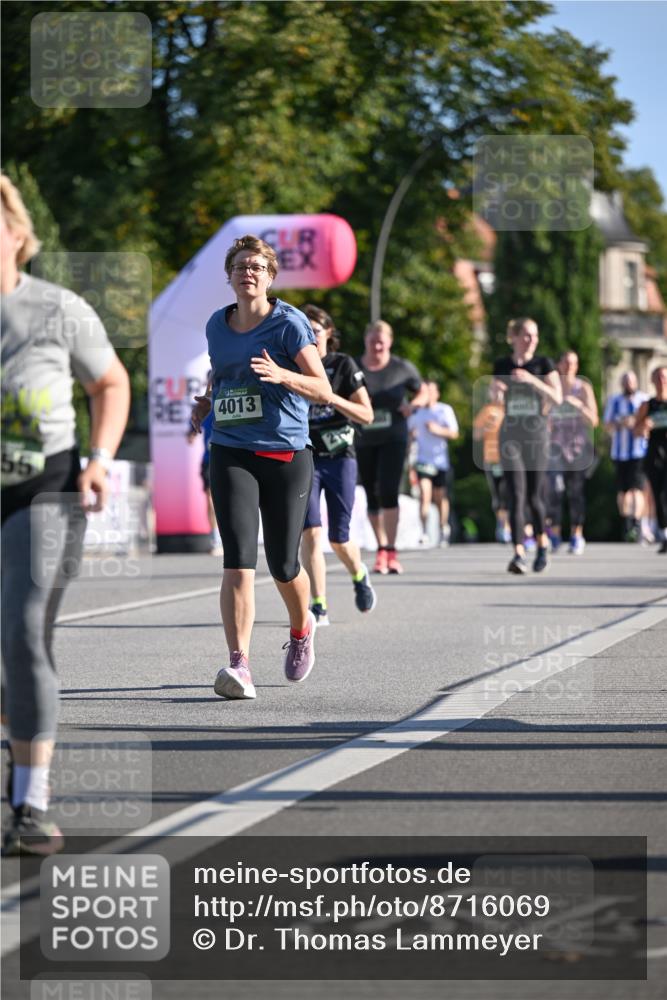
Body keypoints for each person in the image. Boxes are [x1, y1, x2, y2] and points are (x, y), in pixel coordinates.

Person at [1, 174, 130, 855]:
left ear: (18, 237)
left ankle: (30, 803)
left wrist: (101, 459)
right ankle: (19, 735)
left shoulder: (57, 309)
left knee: (24, 631)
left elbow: (109, 382)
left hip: (46, 489)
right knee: (8, 655)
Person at [190, 235, 331, 700]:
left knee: (284, 564)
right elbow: (224, 374)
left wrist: (283, 375)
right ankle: (239, 665)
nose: (247, 272)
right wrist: (207, 404)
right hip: (230, 449)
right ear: (229, 276)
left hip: (286, 454)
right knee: (237, 559)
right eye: (240, 266)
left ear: (270, 277)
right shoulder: (217, 325)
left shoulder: (289, 324)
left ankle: (300, 628)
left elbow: (322, 388)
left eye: (256, 266)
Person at [299, 305, 376, 626]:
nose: (311, 337)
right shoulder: (293, 365)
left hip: (341, 457)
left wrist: (331, 398)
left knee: (339, 538)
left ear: (329, 333)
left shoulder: (342, 365)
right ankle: (318, 604)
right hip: (306, 457)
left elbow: (367, 415)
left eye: (316, 331)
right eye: (305, 332)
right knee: (311, 533)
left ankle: (358, 573)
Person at [356, 320, 428, 574]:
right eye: (373, 340)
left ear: (390, 341)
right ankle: (380, 547)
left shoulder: (401, 368)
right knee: (371, 494)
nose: (377, 345)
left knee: (389, 490)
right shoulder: (355, 367)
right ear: (366, 340)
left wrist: (413, 406)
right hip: (363, 438)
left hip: (394, 438)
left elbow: (424, 391)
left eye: (381, 341)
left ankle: (391, 549)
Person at [493, 317, 562, 575]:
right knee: (515, 494)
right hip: (510, 434)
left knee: (534, 495)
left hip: (536, 435)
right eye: (527, 335)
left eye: (535, 335)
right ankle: (518, 552)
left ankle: (542, 546)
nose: (532, 340)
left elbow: (557, 397)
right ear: (515, 337)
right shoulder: (502, 364)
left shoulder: (543, 364)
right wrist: (497, 390)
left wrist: (532, 380)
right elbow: (495, 396)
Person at [546, 350, 598, 554]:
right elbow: (542, 416)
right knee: (555, 491)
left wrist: (578, 406)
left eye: (574, 363)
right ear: (559, 365)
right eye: (566, 363)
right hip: (555, 447)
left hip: (577, 448)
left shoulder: (583, 388)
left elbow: (594, 421)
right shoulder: (553, 389)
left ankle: (577, 535)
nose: (570, 367)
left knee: (575, 493)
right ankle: (555, 535)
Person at [408, 380, 459, 546]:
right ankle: (423, 531)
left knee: (440, 498)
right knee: (424, 495)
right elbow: (408, 434)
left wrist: (437, 430)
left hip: (440, 462)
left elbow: (454, 434)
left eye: (431, 391)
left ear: (437, 394)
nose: (428, 395)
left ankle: (443, 527)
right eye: (425, 391)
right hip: (423, 461)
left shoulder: (444, 410)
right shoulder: (417, 413)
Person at [602, 371, 648, 542]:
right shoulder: (614, 401)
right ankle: (627, 521)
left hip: (639, 451)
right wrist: (621, 423)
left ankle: (636, 523)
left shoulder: (644, 400)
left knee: (637, 489)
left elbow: (652, 422)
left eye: (632, 381)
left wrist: (636, 423)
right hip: (620, 453)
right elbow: (606, 425)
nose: (629, 384)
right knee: (623, 492)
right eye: (626, 381)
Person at [634, 365, 667, 554]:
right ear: (653, 381)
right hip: (655, 455)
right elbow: (636, 432)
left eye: (665, 377)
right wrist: (644, 426)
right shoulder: (648, 405)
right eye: (659, 377)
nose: (662, 381)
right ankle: (664, 534)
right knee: (659, 495)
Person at [473, 382, 511, 543]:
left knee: (509, 493)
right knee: (498, 495)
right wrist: (487, 426)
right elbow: (476, 435)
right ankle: (502, 525)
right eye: (493, 390)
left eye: (500, 390)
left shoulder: (511, 410)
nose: (497, 394)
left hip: (510, 459)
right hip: (492, 459)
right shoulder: (487, 411)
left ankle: (509, 526)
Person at [187, 396, 222, 555]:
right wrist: (192, 432)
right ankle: (216, 540)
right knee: (211, 498)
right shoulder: (206, 407)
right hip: (210, 459)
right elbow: (191, 433)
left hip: (235, 456)